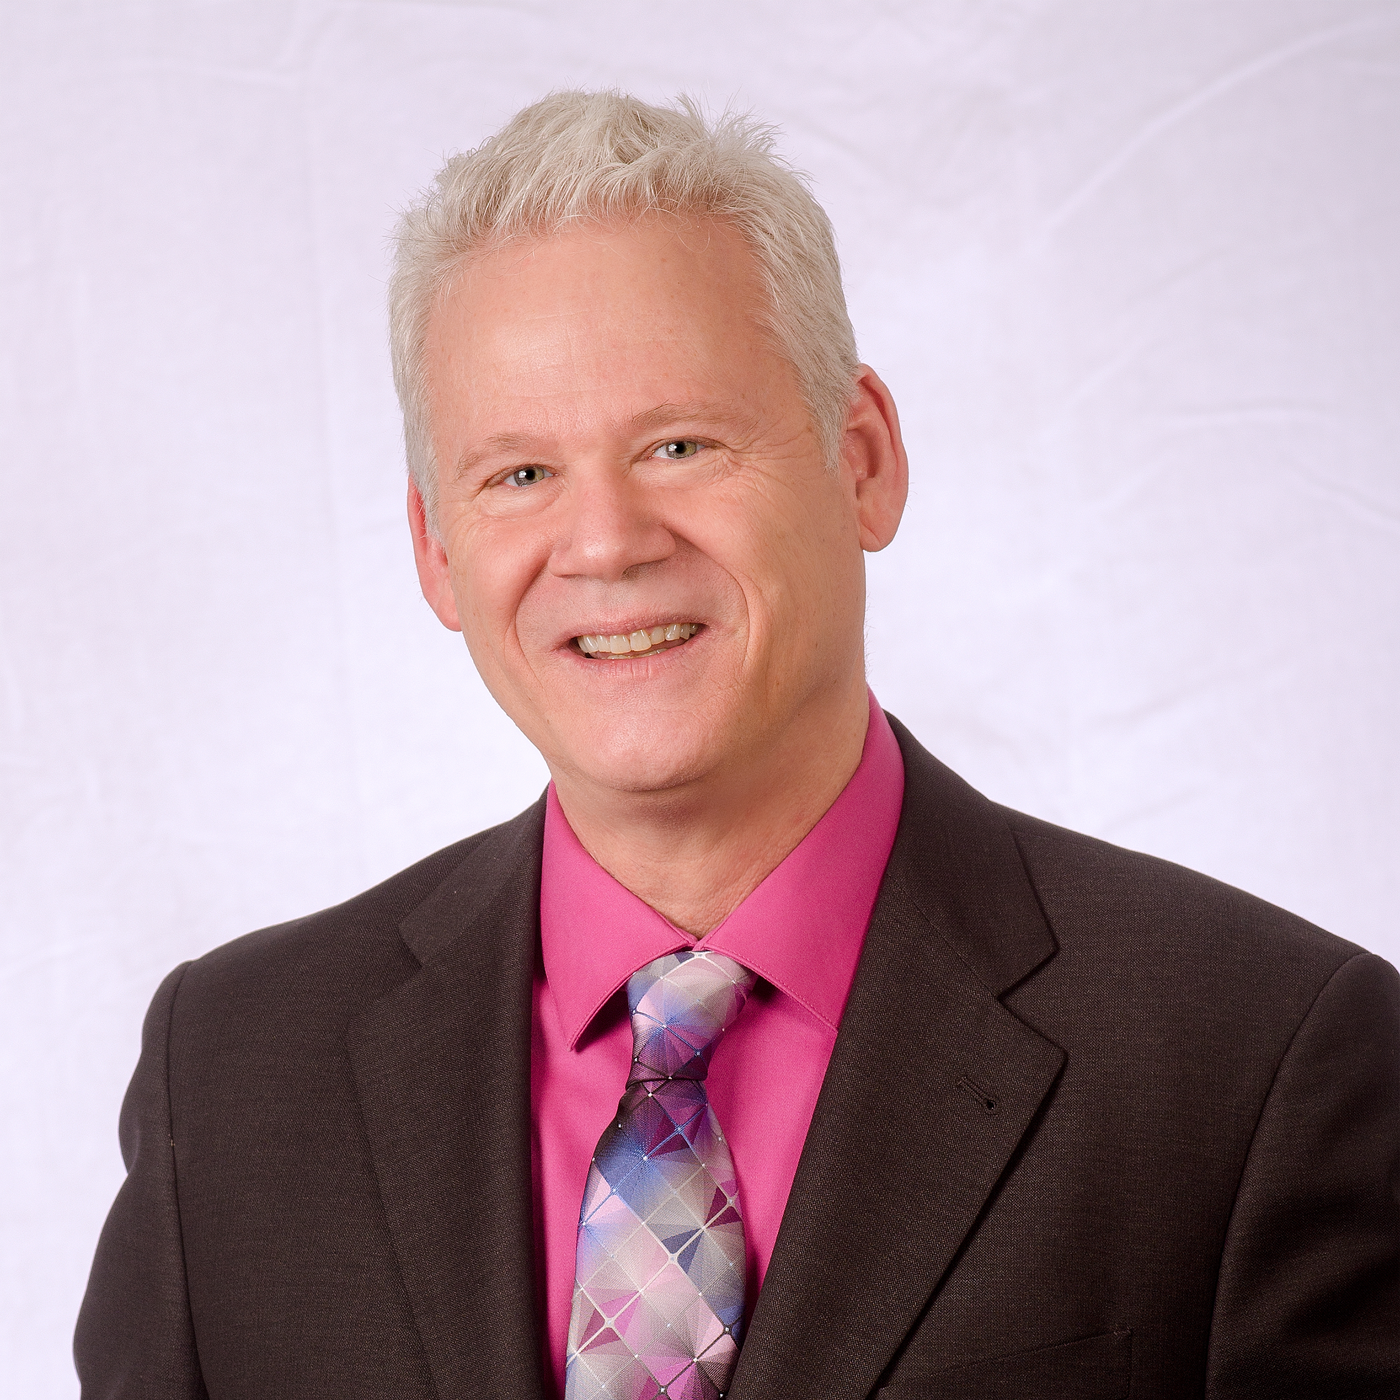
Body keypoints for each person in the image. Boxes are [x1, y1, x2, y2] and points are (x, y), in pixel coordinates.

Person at [75, 91, 1400, 1400]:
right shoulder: (234, 1077)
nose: (606, 543)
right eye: (520, 475)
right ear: (435, 548)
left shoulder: (1258, 1064)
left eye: (679, 443)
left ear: (862, 460)